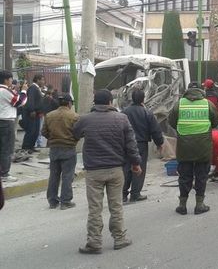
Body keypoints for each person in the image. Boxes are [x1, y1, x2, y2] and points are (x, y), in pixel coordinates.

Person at [73, 89, 142, 254]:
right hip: (115, 170)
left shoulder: (85, 119)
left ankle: (94, 242)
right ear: (111, 102)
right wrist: (136, 164)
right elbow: (131, 145)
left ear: (95, 103)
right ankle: (120, 238)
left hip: (94, 172)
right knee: (116, 206)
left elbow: (74, 133)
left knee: (95, 208)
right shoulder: (122, 118)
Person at [169, 82, 218, 215]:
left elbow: (172, 121)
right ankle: (199, 205)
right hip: (203, 146)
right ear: (200, 90)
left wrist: (184, 130)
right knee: (201, 175)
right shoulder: (207, 104)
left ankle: (182, 205)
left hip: (184, 146)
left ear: (187, 90)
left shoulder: (179, 104)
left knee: (185, 175)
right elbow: (216, 121)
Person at [122, 89, 164, 202]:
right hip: (140, 144)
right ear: (143, 99)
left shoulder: (124, 112)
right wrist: (159, 143)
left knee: (126, 168)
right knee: (139, 168)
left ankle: (123, 194)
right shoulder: (147, 113)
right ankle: (135, 194)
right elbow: (155, 130)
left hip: (125, 144)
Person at [42, 94, 79, 210]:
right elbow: (78, 133)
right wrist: (73, 140)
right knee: (67, 176)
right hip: (68, 148)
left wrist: (53, 139)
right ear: (69, 103)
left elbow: (44, 132)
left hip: (54, 148)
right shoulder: (74, 116)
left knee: (54, 175)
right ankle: (65, 201)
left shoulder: (49, 115)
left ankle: (52, 201)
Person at [0, 70, 28, 182]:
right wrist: (24, 91)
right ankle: (4, 174)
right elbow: (19, 102)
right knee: (7, 149)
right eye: (11, 79)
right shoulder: (4, 91)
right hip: (6, 122)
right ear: (6, 80)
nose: (12, 81)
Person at [22, 74, 45, 152]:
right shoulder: (33, 88)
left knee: (36, 131)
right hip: (32, 113)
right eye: (42, 80)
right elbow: (30, 100)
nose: (43, 82)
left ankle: (31, 147)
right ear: (37, 80)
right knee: (31, 131)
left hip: (37, 113)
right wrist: (32, 110)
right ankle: (25, 148)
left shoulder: (38, 88)